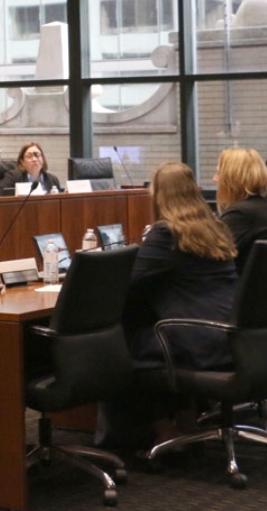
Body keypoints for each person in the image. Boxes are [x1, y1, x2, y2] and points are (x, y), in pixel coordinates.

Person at [99, 162, 237, 450]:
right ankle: (186, 416)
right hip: (229, 336)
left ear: (159, 195)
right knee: (144, 323)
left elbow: (127, 282)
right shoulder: (217, 226)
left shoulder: (166, 233)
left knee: (115, 345)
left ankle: (162, 428)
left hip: (194, 339)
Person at [214, 148, 267, 271]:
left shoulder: (239, 214)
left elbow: (214, 261)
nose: (214, 179)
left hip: (247, 288)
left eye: (219, 173)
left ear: (231, 179)